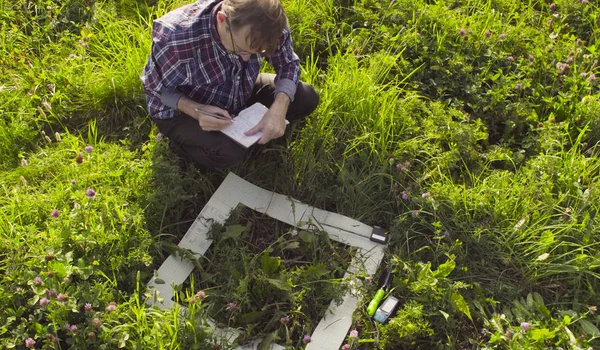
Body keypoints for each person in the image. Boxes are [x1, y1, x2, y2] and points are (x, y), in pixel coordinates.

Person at [141, 0, 319, 169]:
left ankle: (247, 126)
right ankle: (175, 145)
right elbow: (154, 88)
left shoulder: (270, 23)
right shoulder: (176, 38)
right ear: (221, 20)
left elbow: (287, 64)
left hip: (241, 89)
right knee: (230, 153)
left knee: (306, 97)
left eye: (258, 52)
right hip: (184, 108)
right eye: (240, 49)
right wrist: (196, 111)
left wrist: (279, 108)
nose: (246, 58)